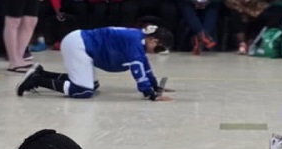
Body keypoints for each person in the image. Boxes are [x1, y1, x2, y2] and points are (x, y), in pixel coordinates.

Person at [16, 25, 173, 100]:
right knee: (82, 91)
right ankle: (35, 80)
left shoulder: (138, 38)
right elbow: (138, 70)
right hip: (79, 46)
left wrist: (154, 85)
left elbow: (144, 65)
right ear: (153, 40)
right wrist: (150, 94)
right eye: (158, 48)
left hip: (79, 41)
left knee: (92, 85)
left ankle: (41, 73)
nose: (157, 52)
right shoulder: (135, 44)